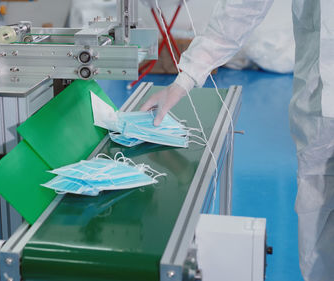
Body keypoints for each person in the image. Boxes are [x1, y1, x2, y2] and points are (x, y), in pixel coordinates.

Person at [139, 1, 334, 280]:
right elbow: (243, 7)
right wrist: (186, 78)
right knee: (318, 244)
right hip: (318, 111)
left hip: (317, 111)